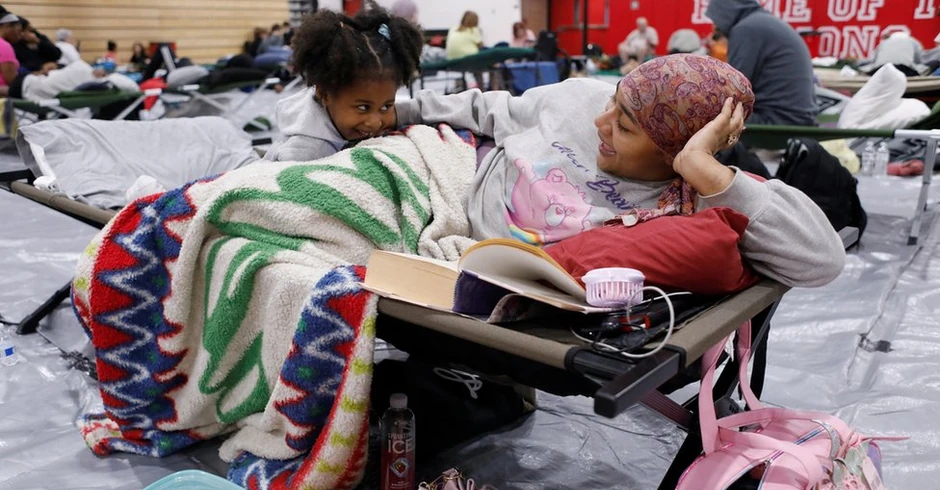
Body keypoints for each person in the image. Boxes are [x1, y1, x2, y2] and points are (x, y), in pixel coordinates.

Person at [391, 54, 845, 287]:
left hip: (484, 278)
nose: (600, 121)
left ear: (676, 153)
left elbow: (822, 263)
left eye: (624, 126)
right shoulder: (582, 98)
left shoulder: (688, 202)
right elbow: (488, 108)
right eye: (614, 101)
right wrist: (389, 112)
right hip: (445, 189)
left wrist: (709, 173)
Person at [263, 7, 423, 162]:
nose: (375, 122)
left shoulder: (343, 108)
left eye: (386, 106)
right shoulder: (308, 155)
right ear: (324, 94)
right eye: (363, 108)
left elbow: (423, 107)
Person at [706, 0, 816, 126]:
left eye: (715, 19)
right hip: (796, 119)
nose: (714, 26)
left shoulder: (746, 29)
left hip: (777, 122)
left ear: (723, 11)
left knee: (699, 118)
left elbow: (732, 89)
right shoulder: (761, 22)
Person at [0, 12, 21, 96]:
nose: (19, 36)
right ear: (8, 26)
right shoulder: (4, 46)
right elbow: (11, 80)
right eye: (18, 31)